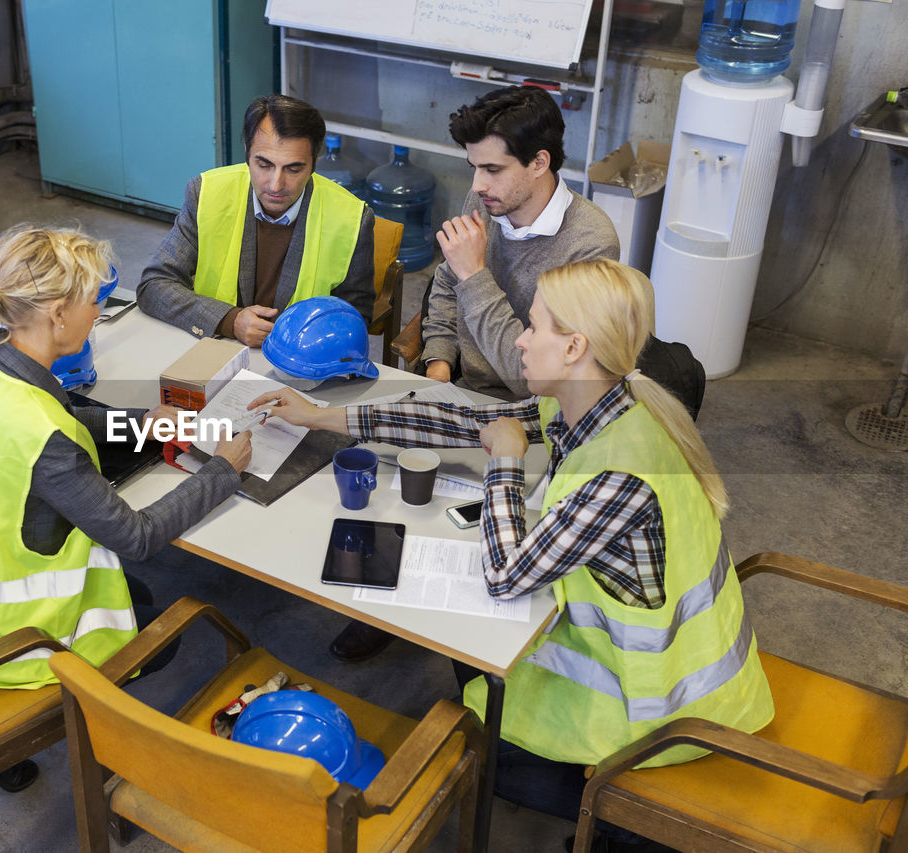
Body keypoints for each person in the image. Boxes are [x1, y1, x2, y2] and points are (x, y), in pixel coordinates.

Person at [249, 259, 774, 851]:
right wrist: (326, 416)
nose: (519, 339)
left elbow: (504, 576)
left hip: (662, 717)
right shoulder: (608, 402)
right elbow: (461, 418)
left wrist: (503, 462)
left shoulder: (623, 475)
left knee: (468, 745)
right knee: (473, 673)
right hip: (652, 669)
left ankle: (621, 823)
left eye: (534, 327)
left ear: (575, 347)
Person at [0, 225, 252, 792]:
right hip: (15, 638)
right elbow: (135, 536)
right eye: (95, 302)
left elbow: (49, 412)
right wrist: (223, 470)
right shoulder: (46, 442)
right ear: (58, 315)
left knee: (137, 593)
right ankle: (69, 725)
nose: (99, 313)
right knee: (157, 620)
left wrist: (138, 425)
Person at [421, 85, 619, 398]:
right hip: (463, 389)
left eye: (493, 169)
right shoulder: (484, 201)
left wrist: (474, 276)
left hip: (534, 409)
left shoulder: (591, 243)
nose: (477, 185)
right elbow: (447, 283)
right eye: (474, 167)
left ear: (539, 163)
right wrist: (439, 362)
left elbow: (535, 381)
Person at [137, 94, 375, 347]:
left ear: (314, 165)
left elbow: (355, 318)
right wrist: (230, 320)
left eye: (294, 169)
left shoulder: (351, 218)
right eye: (263, 164)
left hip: (300, 362)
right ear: (247, 156)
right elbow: (154, 285)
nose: (276, 185)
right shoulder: (207, 194)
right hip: (215, 344)